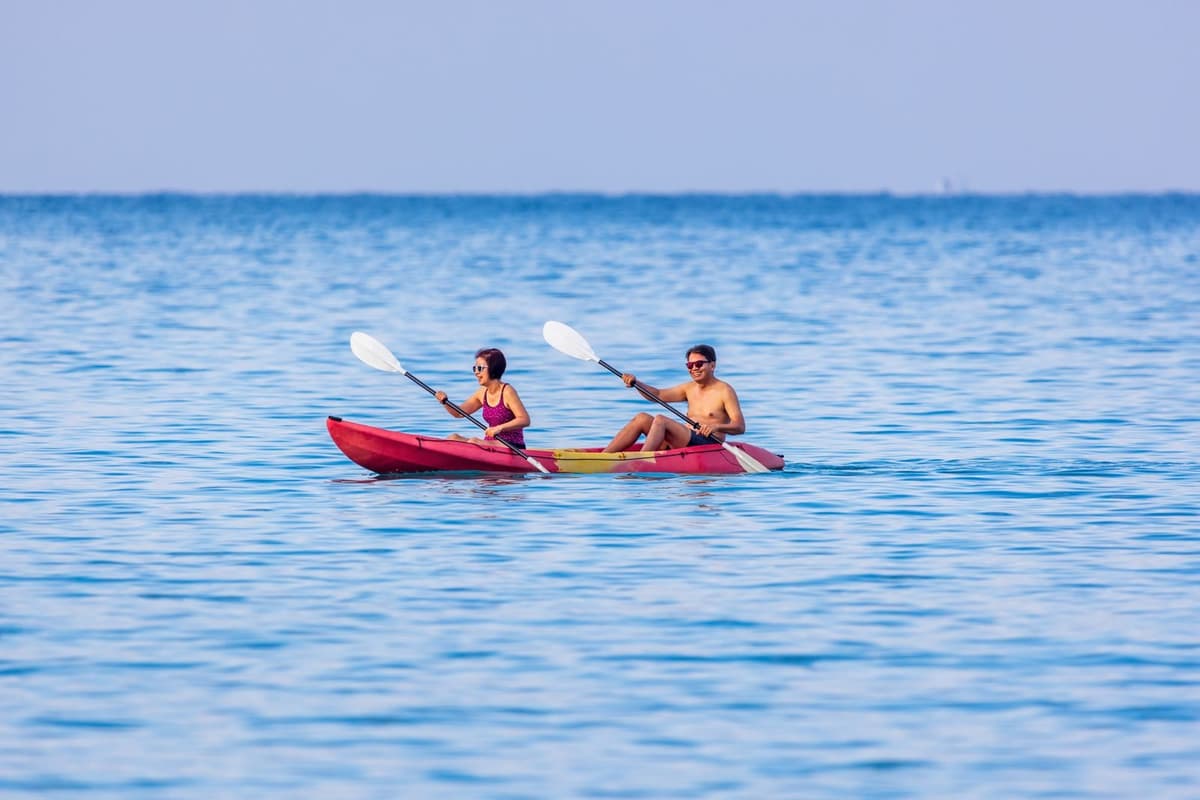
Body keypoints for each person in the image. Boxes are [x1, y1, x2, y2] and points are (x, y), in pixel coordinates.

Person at [603, 344, 746, 453]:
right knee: (642, 418)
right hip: (685, 440)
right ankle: (603, 457)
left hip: (708, 444)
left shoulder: (724, 391)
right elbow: (657, 395)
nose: (694, 368)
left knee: (661, 419)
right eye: (690, 365)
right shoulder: (688, 388)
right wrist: (636, 383)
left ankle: (642, 460)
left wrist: (716, 427)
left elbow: (740, 427)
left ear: (712, 365)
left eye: (699, 364)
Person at [434, 348, 532, 449]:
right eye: (475, 368)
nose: (476, 372)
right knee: (453, 438)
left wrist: (499, 428)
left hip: (512, 445)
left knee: (474, 442)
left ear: (492, 368)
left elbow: (524, 420)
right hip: (489, 443)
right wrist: (445, 402)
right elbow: (459, 413)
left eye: (480, 368)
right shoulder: (482, 392)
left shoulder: (507, 391)